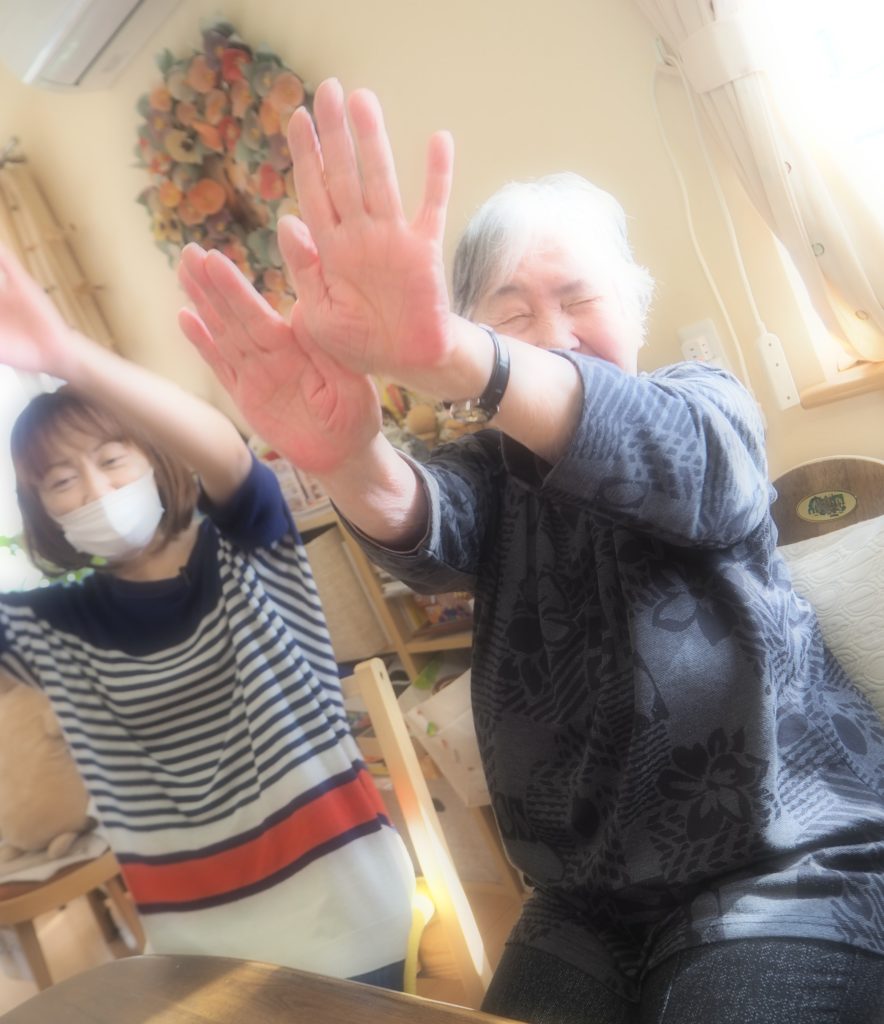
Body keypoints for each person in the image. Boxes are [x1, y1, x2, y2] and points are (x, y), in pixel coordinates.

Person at [177, 79, 884, 1022]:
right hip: (581, 904)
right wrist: (347, 456)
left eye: (581, 297)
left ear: (635, 308)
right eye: (510, 315)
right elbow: (426, 527)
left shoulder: (705, 401)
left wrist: (470, 357)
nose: (554, 334)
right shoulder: (488, 473)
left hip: (787, 861)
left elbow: (697, 468)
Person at [0, 244, 414, 990]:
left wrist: (67, 355)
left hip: (352, 907)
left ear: (155, 457)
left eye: (112, 459)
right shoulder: (47, 628)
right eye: (61, 481)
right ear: (44, 511)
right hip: (201, 953)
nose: (93, 490)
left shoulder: (244, 546)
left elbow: (231, 460)